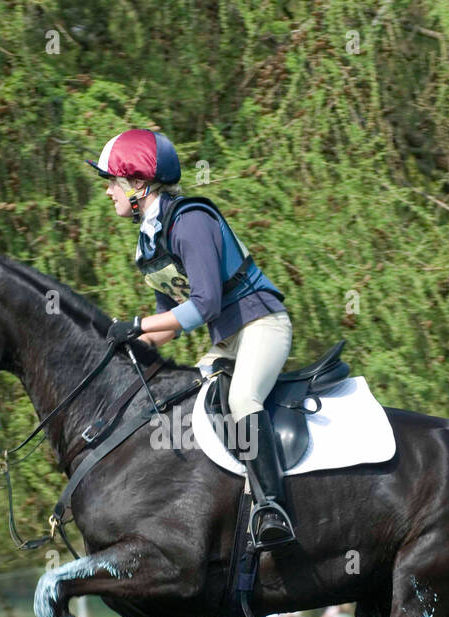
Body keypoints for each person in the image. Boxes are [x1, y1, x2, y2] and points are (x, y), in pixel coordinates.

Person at [88, 128, 297, 548]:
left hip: (262, 324)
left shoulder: (190, 220)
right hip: (227, 339)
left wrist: (139, 324)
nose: (108, 191)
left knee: (242, 401)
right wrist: (128, 348)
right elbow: (169, 318)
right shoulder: (148, 243)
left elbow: (205, 305)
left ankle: (274, 507)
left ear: (140, 186)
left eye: (113, 181)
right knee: (182, 405)